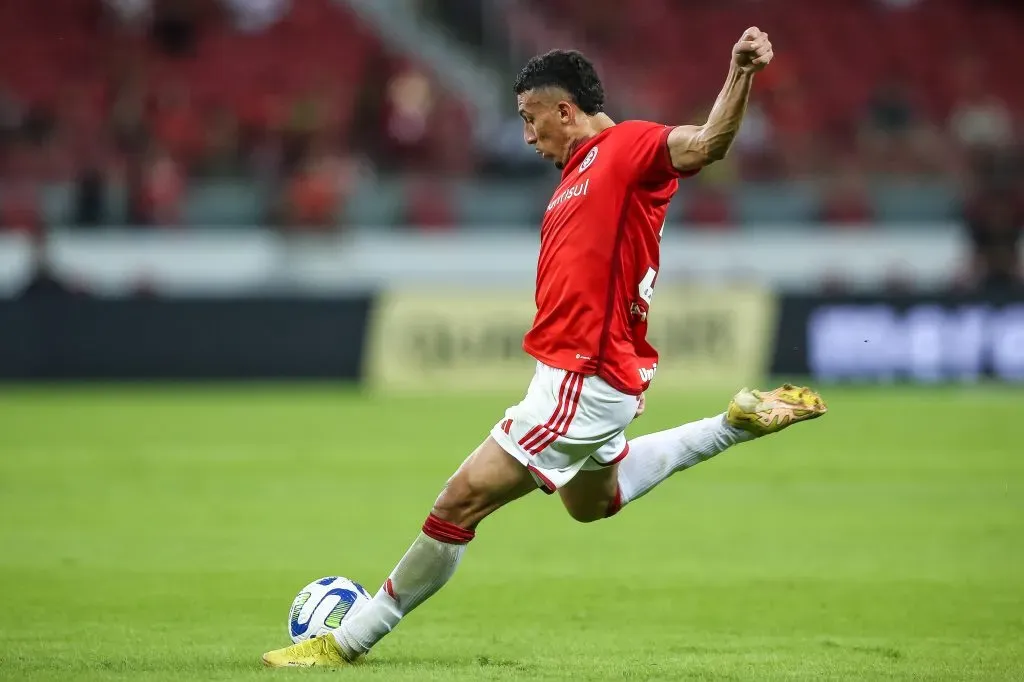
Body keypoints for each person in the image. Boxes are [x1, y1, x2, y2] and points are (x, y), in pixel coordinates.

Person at [262, 27, 826, 668]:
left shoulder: (626, 147)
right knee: (592, 504)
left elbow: (706, 144)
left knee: (459, 501)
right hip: (587, 376)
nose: (528, 137)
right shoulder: (580, 172)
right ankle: (733, 423)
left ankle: (347, 640)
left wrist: (740, 71)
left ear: (565, 111)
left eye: (532, 120)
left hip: (582, 378)